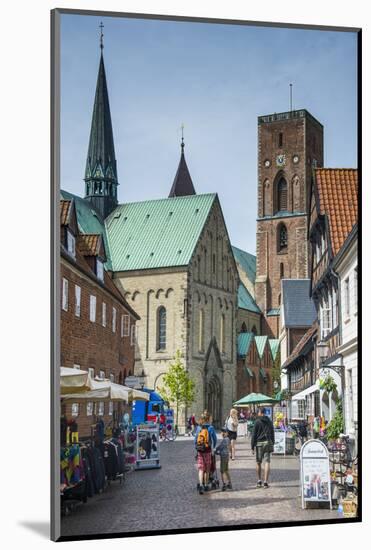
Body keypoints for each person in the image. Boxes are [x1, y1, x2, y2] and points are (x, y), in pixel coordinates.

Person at [251, 406, 275, 489]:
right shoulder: (269, 421)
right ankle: (265, 482)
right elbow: (272, 432)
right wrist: (273, 442)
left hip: (259, 444)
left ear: (260, 412)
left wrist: (252, 446)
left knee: (258, 462)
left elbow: (254, 434)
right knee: (267, 462)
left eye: (258, 412)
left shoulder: (257, 421)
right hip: (268, 442)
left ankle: (259, 480)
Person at [194, 412, 217, 495]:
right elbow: (215, 439)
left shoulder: (198, 428)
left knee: (200, 469)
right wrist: (213, 448)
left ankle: (200, 485)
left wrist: (197, 449)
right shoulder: (211, 428)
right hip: (208, 450)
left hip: (200, 450)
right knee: (207, 469)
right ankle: (206, 485)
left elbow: (195, 440)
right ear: (208, 419)